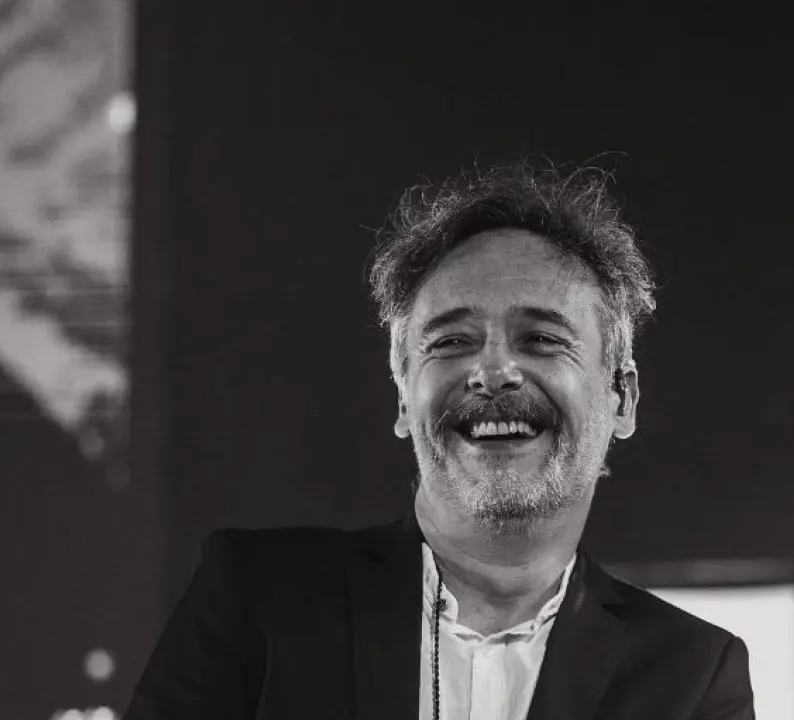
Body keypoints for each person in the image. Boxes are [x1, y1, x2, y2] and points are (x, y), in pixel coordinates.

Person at [122, 161, 755, 719]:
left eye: (541, 339)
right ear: (404, 397)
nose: (493, 371)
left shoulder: (692, 675)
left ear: (622, 397)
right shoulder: (259, 601)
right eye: (452, 342)